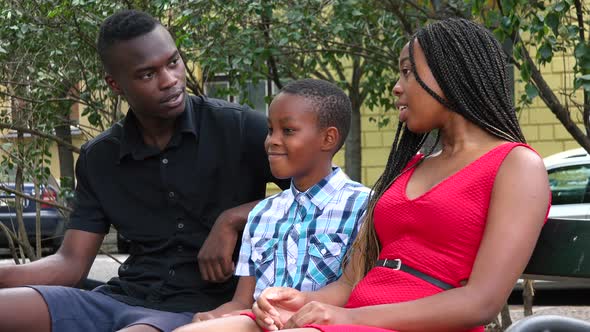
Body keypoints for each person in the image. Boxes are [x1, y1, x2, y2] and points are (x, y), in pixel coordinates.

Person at [200, 17, 551, 332]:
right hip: (358, 314)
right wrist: (303, 301)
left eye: (407, 73)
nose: (397, 87)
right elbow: (351, 281)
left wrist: (349, 318)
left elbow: (481, 303)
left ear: (451, 73)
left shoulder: (516, 166)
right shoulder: (411, 165)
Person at [0, 9, 289, 332]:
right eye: (148, 74)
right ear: (116, 84)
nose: (170, 80)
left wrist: (232, 219)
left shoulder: (238, 128)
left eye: (173, 62)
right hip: (119, 298)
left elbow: (325, 193)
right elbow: (71, 265)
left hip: (201, 310)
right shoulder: (101, 158)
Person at [174, 79, 370, 332]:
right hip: (259, 321)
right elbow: (242, 301)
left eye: (287, 131)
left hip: (321, 323)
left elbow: (355, 288)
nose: (271, 141)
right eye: (270, 130)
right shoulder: (262, 214)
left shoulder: (363, 205)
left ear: (328, 138)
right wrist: (212, 316)